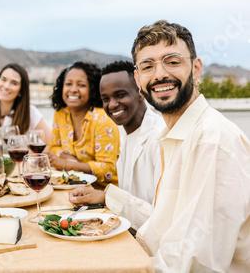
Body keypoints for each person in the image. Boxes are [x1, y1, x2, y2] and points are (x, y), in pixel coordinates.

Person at [94, 20, 249, 272]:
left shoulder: (212, 141)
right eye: (147, 66)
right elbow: (164, 227)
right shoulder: (172, 137)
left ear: (196, 68)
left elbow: (194, 264)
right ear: (138, 79)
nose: (159, 75)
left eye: (173, 61)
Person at [69, 60, 165, 230]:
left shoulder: (160, 139)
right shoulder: (125, 135)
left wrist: (108, 196)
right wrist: (101, 195)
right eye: (105, 99)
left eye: (120, 95)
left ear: (140, 92)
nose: (112, 104)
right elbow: (131, 198)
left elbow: (159, 218)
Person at [47, 61, 120, 189]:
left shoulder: (103, 119)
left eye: (81, 85)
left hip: (104, 191)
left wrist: (66, 164)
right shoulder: (60, 114)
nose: (73, 89)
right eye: (68, 84)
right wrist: (70, 160)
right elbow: (53, 147)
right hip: (72, 185)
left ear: (92, 89)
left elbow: (107, 169)